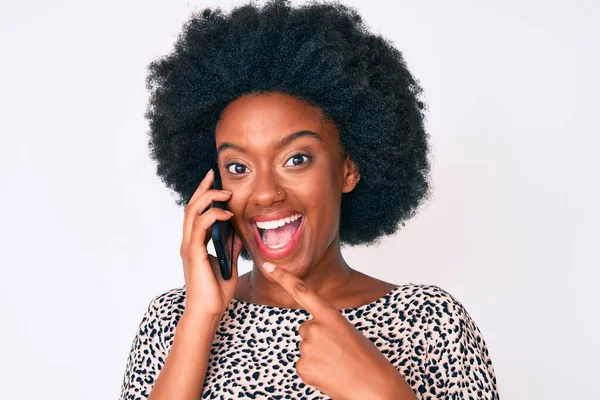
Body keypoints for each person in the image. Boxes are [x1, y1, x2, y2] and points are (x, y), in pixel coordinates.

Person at [119, 0, 499, 398]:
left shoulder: (430, 324)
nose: (265, 192)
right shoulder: (171, 320)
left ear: (348, 168)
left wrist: (384, 393)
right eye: (238, 167)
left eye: (295, 159)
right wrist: (200, 320)